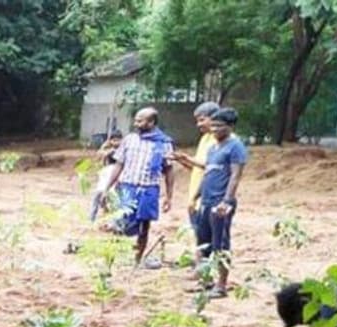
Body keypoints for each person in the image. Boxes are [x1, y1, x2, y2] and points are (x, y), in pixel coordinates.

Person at [104, 107, 175, 267]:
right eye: (136, 120)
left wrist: (169, 196)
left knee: (144, 226)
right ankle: (110, 261)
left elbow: (169, 170)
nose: (136, 124)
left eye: (140, 121)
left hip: (149, 189)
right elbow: (119, 165)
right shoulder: (129, 140)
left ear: (151, 122)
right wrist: (107, 187)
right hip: (127, 187)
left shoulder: (164, 144)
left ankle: (137, 260)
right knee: (119, 223)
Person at [190, 108, 247, 298]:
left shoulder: (235, 147)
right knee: (203, 243)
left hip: (220, 203)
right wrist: (196, 196)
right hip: (206, 201)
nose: (214, 129)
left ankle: (221, 285)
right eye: (213, 125)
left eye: (219, 126)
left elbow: (235, 176)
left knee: (220, 244)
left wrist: (226, 201)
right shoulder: (213, 148)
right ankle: (206, 281)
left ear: (230, 126)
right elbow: (208, 174)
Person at [172, 101, 219, 267]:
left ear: (214, 118)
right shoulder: (205, 139)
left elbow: (211, 167)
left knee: (206, 236)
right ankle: (201, 267)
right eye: (197, 120)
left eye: (202, 120)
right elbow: (198, 168)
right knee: (199, 234)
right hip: (196, 196)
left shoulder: (219, 141)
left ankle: (205, 268)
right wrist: (183, 160)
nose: (198, 124)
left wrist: (188, 158)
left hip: (207, 196)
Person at [89, 130, 123, 223]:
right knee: (98, 196)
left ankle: (113, 220)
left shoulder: (122, 150)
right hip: (106, 174)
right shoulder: (108, 150)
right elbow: (98, 156)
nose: (116, 142)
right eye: (114, 140)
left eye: (118, 140)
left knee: (113, 197)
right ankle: (92, 218)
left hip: (116, 175)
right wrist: (104, 146)